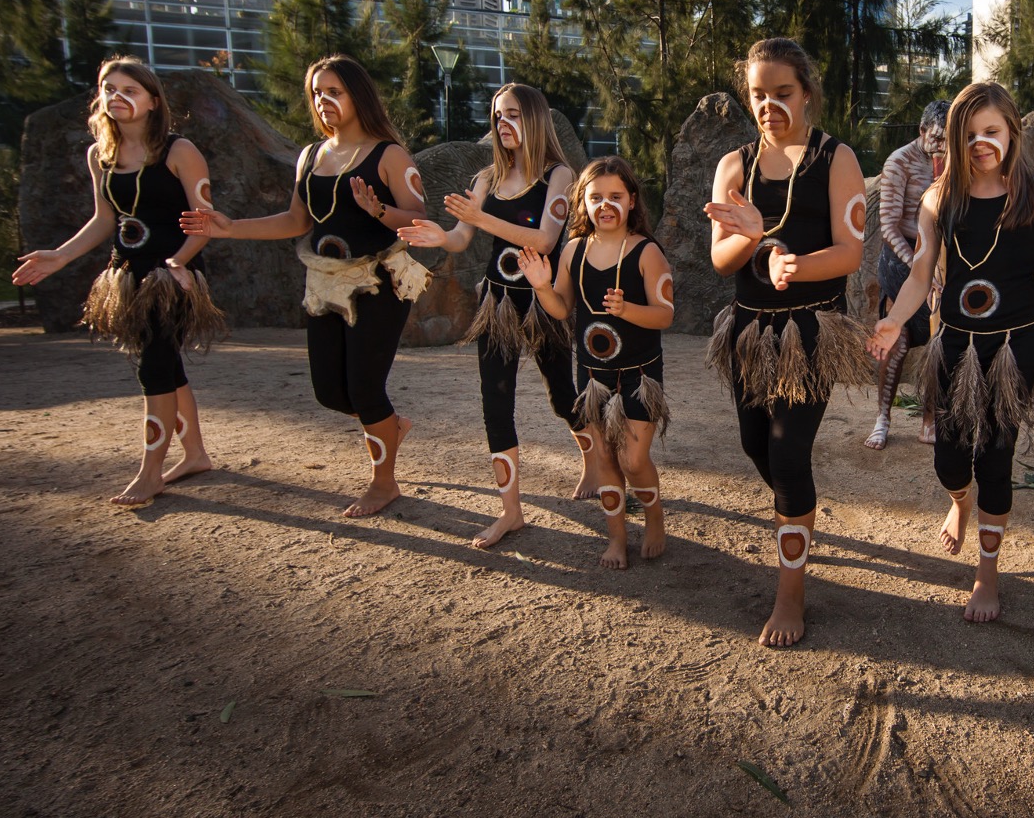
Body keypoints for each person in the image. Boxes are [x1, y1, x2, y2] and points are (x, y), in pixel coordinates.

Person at [868, 81, 1034, 622]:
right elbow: (921, 272)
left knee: (996, 458)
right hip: (955, 347)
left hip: (1016, 349)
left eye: (992, 131)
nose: (980, 143)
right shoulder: (940, 198)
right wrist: (894, 321)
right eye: (968, 134)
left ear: (1012, 131)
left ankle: (987, 575)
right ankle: (958, 503)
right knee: (949, 461)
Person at [181, 55, 428, 517]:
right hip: (325, 285)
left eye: (334, 91)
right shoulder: (311, 156)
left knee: (364, 387)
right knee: (329, 392)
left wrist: (379, 212)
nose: (323, 100)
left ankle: (383, 482)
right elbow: (296, 220)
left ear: (359, 96)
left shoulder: (389, 154)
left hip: (378, 284)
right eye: (317, 92)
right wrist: (229, 227)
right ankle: (390, 426)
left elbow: (419, 218)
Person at [703, 37, 869, 648]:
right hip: (750, 332)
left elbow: (850, 253)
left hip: (810, 332)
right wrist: (750, 240)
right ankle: (795, 518)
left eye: (782, 93)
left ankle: (790, 592)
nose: (769, 104)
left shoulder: (835, 157)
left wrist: (792, 266)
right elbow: (722, 262)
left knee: (788, 453)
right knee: (757, 446)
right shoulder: (733, 166)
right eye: (758, 94)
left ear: (806, 93)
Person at [13, 57, 225, 509]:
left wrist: (177, 265)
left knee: (153, 368)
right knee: (165, 365)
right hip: (127, 275)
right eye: (109, 88)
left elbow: (204, 223)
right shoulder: (101, 154)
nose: (117, 97)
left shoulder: (179, 151)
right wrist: (59, 256)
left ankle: (150, 473)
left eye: (129, 89)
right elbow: (104, 219)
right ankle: (195, 455)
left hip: (174, 279)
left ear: (152, 100)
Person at [399, 83, 577, 547]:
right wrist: (442, 238)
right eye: (497, 114)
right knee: (495, 402)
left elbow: (541, 241)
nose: (502, 122)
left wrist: (480, 220)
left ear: (534, 119)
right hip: (496, 305)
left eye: (513, 113)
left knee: (563, 396)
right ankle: (511, 511)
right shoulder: (486, 179)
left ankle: (595, 461)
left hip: (542, 302)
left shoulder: (558, 176)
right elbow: (462, 237)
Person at [518, 156, 674, 569]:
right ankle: (617, 539)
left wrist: (628, 311)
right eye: (595, 197)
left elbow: (665, 314)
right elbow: (561, 308)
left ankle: (654, 517)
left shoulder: (646, 252)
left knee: (633, 460)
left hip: (639, 377)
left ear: (632, 200)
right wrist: (540, 286)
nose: (605, 205)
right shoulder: (574, 250)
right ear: (582, 203)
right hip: (592, 377)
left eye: (615, 196)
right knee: (604, 458)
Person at [865, 100, 947, 450]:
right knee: (896, 341)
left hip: (942, 261)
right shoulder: (900, 161)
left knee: (939, 341)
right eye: (938, 137)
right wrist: (919, 267)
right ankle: (882, 417)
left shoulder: (956, 161)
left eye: (949, 137)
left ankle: (930, 418)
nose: (943, 144)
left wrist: (940, 266)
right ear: (922, 131)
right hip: (902, 260)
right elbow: (888, 226)